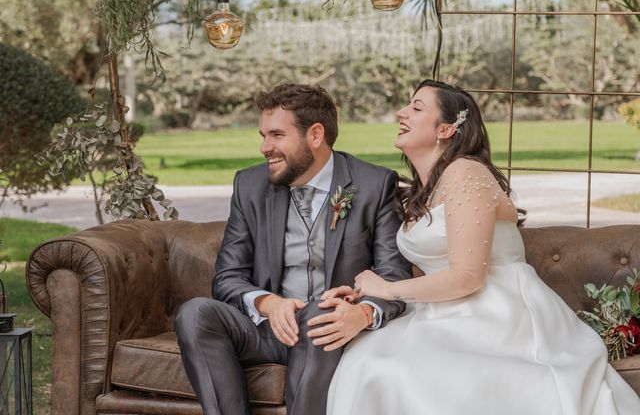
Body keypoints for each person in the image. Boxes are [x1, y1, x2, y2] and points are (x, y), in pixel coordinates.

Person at [326, 79, 640, 414]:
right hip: (442, 310)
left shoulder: (465, 172)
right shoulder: (427, 188)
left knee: (400, 369)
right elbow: (428, 268)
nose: (401, 112)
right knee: (368, 357)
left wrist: (387, 289)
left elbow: (468, 277)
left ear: (446, 129)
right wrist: (365, 295)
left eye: (416, 107)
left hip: (495, 312)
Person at [175, 83, 413, 415]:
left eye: (276, 135)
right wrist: (268, 303)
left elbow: (393, 275)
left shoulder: (374, 184)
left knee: (321, 314)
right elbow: (228, 277)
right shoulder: (249, 185)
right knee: (196, 314)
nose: (264, 147)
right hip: (266, 329)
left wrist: (361, 313)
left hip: (331, 331)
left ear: (315, 135)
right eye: (263, 135)